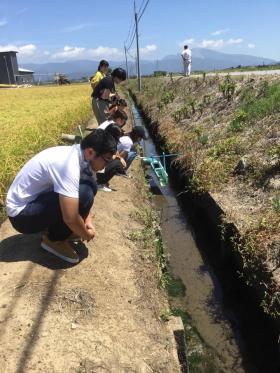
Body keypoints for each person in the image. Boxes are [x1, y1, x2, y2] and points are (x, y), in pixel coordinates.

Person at [6, 125, 121, 264]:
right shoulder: (68, 165)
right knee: (85, 194)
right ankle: (54, 240)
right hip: (21, 216)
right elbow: (71, 217)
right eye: (107, 160)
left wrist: (87, 221)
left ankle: (57, 230)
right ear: (91, 152)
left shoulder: (80, 156)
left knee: (89, 186)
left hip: (35, 201)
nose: (106, 165)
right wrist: (85, 234)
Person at [97, 126, 147, 192]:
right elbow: (119, 157)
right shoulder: (129, 143)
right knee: (120, 163)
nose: (140, 140)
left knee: (123, 158)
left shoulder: (125, 137)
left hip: (101, 161)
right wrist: (121, 164)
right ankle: (101, 183)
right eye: (140, 138)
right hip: (102, 166)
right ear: (137, 136)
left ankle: (107, 177)